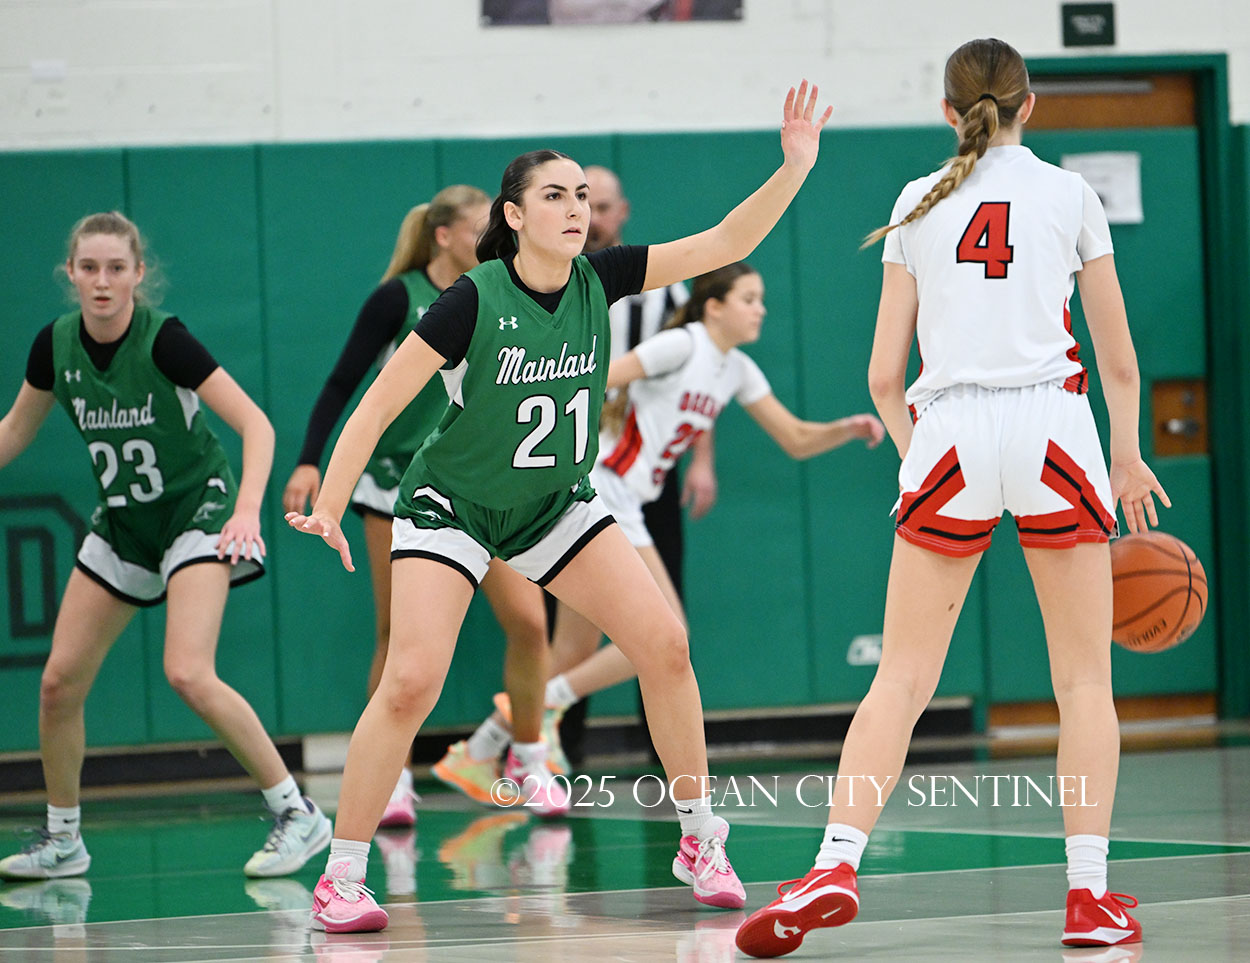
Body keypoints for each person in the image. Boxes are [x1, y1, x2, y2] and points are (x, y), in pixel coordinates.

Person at [287, 80, 831, 933]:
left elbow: (726, 241)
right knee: (411, 680)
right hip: (453, 506)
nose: (576, 208)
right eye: (555, 195)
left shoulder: (602, 277)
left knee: (665, 644)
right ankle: (343, 876)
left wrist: (794, 165)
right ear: (513, 216)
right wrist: (328, 497)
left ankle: (700, 838)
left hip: (555, 505)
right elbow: (379, 403)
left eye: (582, 194)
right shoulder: (472, 299)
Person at [735, 40, 1168, 958]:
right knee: (1083, 681)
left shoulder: (915, 200)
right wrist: (1127, 458)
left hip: (950, 434)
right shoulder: (1071, 194)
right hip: (1054, 427)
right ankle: (1087, 896)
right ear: (1030, 104)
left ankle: (834, 863)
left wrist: (919, 461)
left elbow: (882, 375)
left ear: (948, 111)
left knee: (900, 676)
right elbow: (1120, 360)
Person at [0, 211, 331, 882]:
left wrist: (246, 509)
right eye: (89, 268)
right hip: (125, 522)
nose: (102, 281)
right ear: (70, 274)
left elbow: (256, 425)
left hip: (196, 510)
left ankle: (297, 812)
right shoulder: (54, 346)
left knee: (187, 670)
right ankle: (63, 839)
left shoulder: (166, 341)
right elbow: (13, 431)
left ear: (138, 274)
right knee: (59, 684)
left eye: (115, 268)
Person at [491, 262, 883, 761]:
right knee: (669, 631)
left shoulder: (737, 369)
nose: (760, 309)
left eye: (761, 299)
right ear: (714, 307)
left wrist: (845, 429)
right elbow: (594, 378)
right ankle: (549, 701)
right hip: (604, 488)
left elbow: (796, 438)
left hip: (625, 498)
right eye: (749, 299)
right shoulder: (682, 344)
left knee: (574, 648)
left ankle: (487, 748)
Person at [282, 186, 568, 825]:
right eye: (478, 227)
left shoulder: (502, 290)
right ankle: (392, 780)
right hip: (400, 487)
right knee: (397, 637)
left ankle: (528, 758)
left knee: (529, 623)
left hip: (486, 483)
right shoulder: (397, 298)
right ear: (443, 236)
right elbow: (343, 382)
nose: (493, 237)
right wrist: (309, 459)